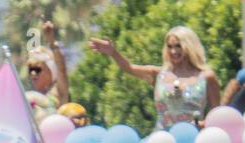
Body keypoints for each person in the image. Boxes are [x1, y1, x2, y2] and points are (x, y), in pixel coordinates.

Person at [90, 27, 220, 129]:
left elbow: (217, 117)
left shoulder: (207, 77)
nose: (173, 51)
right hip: (162, 142)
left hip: (194, 142)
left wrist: (201, 124)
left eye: (178, 46)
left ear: (189, 46)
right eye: (170, 46)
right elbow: (129, 68)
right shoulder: (159, 74)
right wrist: (113, 52)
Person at [25, 21, 70, 121]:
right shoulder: (27, 96)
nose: (33, 74)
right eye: (30, 70)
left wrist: (52, 43)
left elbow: (61, 70)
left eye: (37, 70)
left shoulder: (57, 93)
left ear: (51, 72)